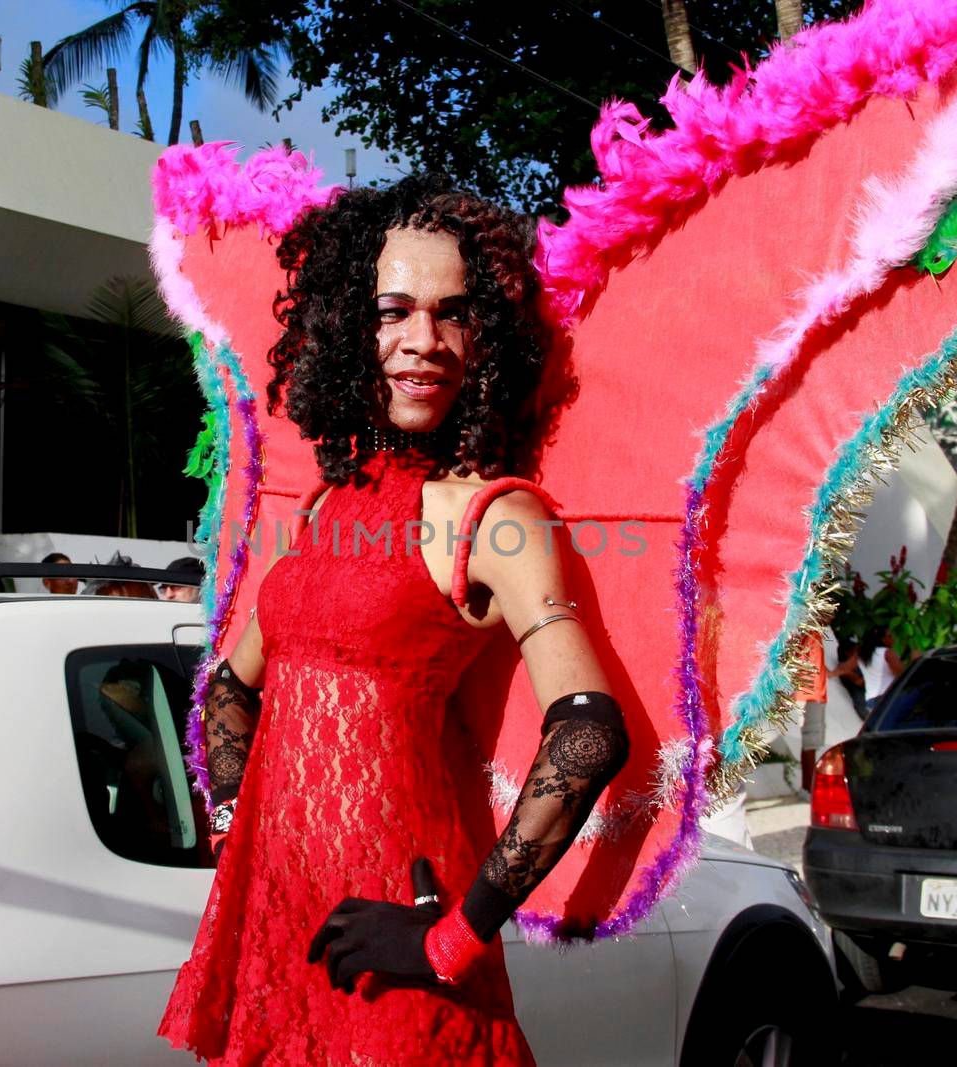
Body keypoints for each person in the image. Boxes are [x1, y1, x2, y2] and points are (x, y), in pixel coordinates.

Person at [158, 176, 628, 1065]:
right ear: (345, 326)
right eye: (394, 310)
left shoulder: (493, 515)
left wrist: (450, 938)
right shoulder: (323, 506)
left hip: (404, 947)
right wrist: (237, 837)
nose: (425, 341)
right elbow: (230, 685)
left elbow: (589, 730)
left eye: (454, 314)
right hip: (287, 932)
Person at [796, 628, 837, 795]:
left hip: (813, 695)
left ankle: (808, 787)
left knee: (811, 743)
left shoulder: (813, 633)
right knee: (810, 743)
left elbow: (819, 667)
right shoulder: (808, 632)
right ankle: (808, 788)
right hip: (809, 695)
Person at [858, 627, 904, 715]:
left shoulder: (862, 654)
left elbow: (843, 668)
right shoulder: (888, 653)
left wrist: (830, 673)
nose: (893, 639)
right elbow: (903, 675)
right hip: (884, 699)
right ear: (883, 639)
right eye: (890, 636)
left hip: (870, 701)